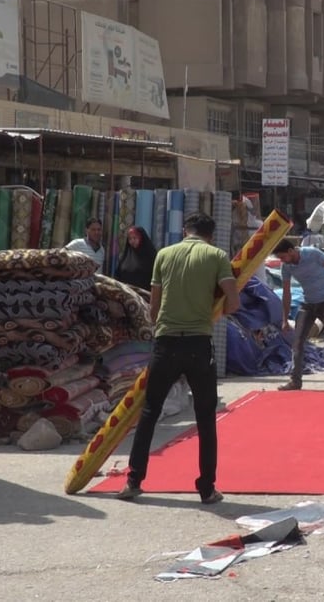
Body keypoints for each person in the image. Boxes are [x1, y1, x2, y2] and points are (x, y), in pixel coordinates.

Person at [117, 213, 240, 504]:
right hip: (199, 344)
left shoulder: (164, 255)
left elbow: (154, 307)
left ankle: (134, 480)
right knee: (205, 416)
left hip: (166, 342)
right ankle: (207, 489)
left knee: (149, 412)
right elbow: (233, 303)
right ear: (210, 235)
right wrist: (208, 314)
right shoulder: (217, 256)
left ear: (185, 231)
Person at [274, 239, 324, 390]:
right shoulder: (286, 267)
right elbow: (286, 293)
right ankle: (295, 380)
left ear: (290, 251)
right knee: (298, 341)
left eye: (283, 257)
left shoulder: (312, 254)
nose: (282, 261)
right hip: (308, 304)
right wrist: (284, 319)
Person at [115, 226, 157, 290]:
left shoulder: (151, 256)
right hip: (126, 295)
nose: (132, 241)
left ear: (141, 238)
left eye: (135, 238)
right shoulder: (125, 256)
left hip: (144, 296)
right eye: (130, 239)